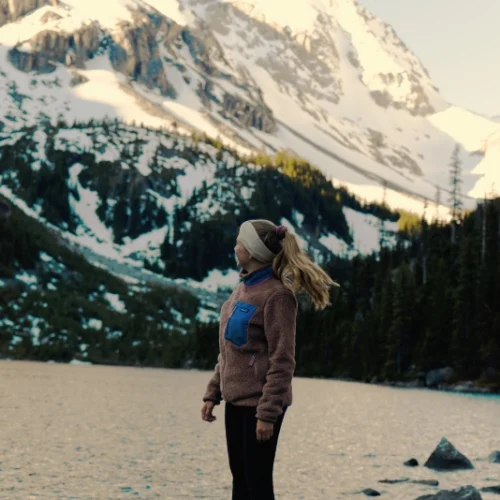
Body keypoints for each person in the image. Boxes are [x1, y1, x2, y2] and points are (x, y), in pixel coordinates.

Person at [201, 219, 336, 500]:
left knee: (257, 483)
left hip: (261, 405)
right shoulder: (242, 288)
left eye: (239, 242)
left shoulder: (278, 296)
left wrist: (267, 413)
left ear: (250, 251)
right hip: (236, 401)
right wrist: (212, 393)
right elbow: (229, 350)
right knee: (240, 480)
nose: (234, 246)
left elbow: (283, 360)